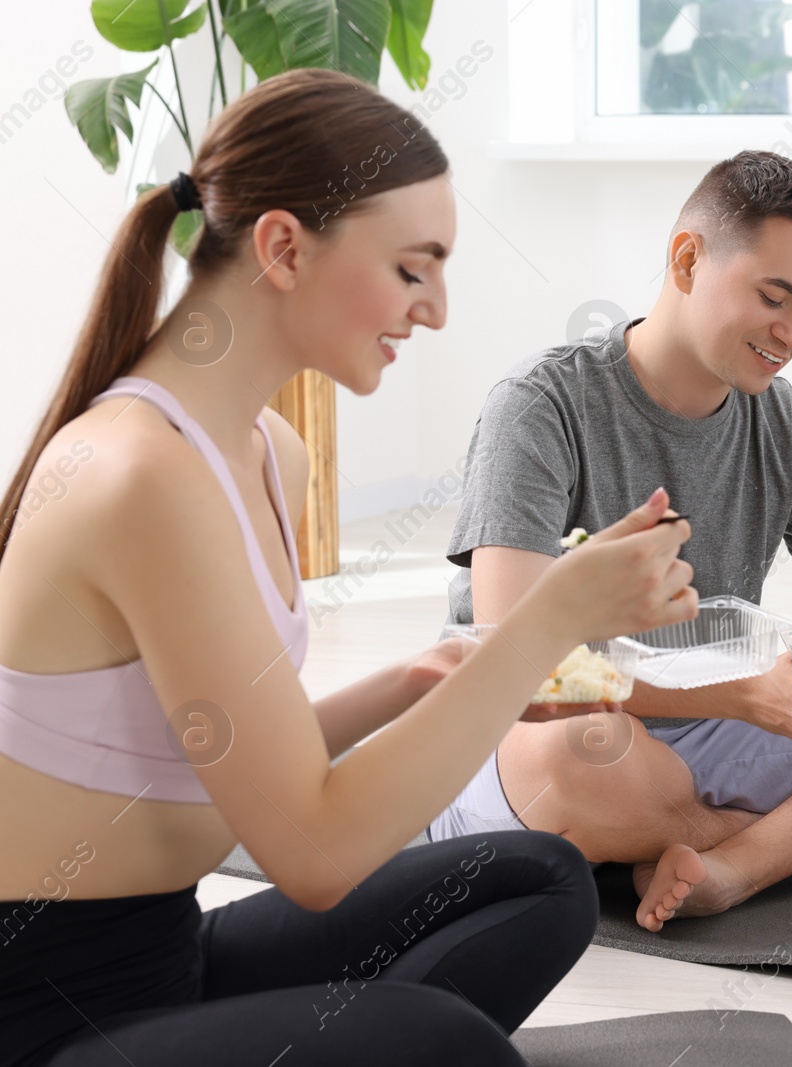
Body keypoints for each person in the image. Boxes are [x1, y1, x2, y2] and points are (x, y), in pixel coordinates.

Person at [0, 70, 697, 1067]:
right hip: (42, 1016)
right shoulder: (137, 473)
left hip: (163, 951)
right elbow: (315, 855)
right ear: (284, 247)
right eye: (414, 269)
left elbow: (206, 756)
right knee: (444, 1042)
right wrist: (544, 621)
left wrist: (411, 684)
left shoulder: (264, 450)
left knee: (537, 876)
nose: (437, 310)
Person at [431, 150, 792, 931]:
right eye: (775, 298)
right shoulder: (540, 406)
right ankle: (758, 839)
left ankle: (728, 871)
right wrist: (745, 696)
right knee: (583, 750)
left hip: (711, 739)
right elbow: (516, 674)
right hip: (542, 739)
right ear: (686, 260)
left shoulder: (788, 426)